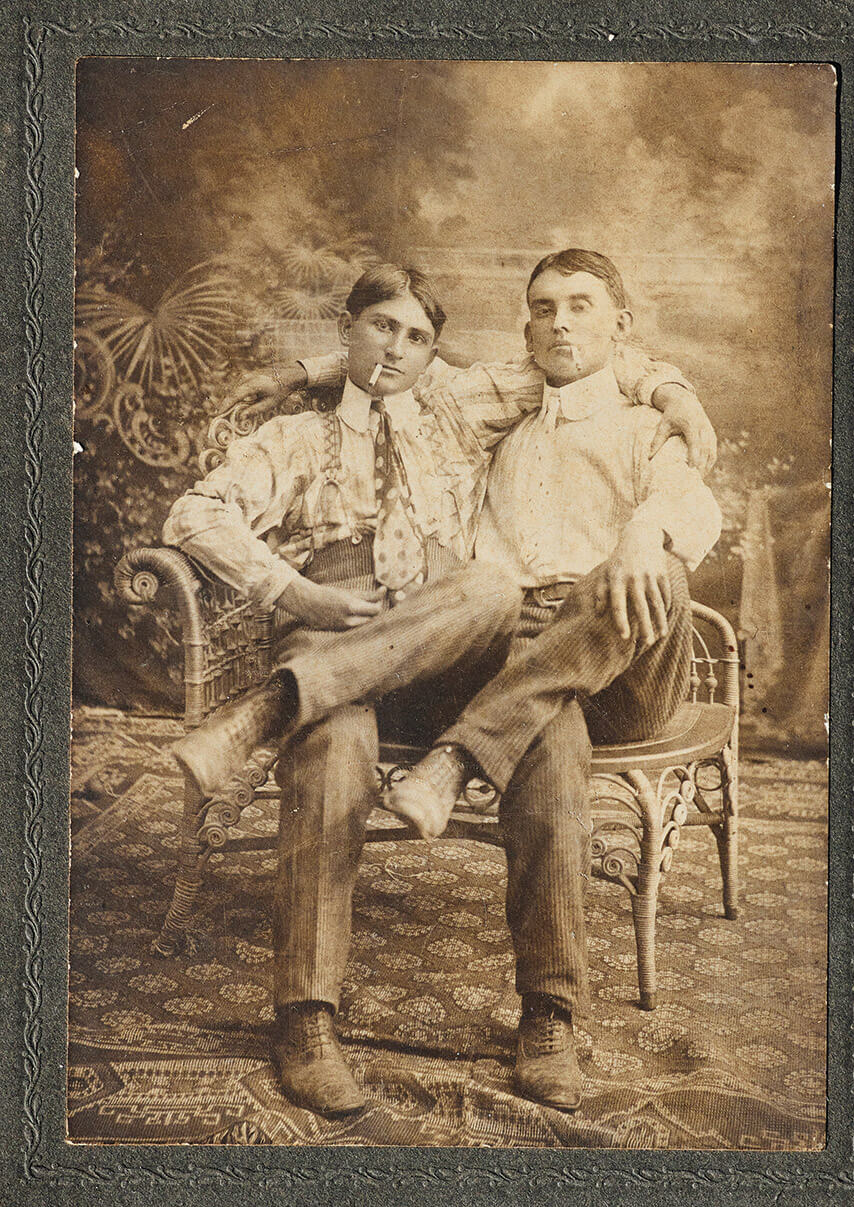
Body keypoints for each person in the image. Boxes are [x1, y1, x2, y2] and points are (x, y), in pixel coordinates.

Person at [162, 259, 714, 1118]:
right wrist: (292, 589)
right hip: (343, 625)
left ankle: (550, 1015)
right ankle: (306, 1021)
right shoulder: (304, 437)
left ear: (433, 356)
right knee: (338, 744)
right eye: (380, 327)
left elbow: (596, 366)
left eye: (417, 337)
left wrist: (671, 408)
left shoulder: (458, 414)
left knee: (498, 606)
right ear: (347, 329)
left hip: (469, 630)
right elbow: (197, 512)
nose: (396, 349)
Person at [386, 249, 722, 1111]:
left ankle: (454, 759)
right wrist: (303, 371)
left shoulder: (649, 427)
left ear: (622, 325)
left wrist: (643, 533)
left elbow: (691, 502)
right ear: (528, 329)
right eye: (544, 308)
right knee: (547, 732)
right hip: (522, 662)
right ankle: (550, 1016)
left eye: (581, 304)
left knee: (649, 570)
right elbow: (393, 368)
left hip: (626, 662)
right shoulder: (499, 425)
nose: (561, 321)